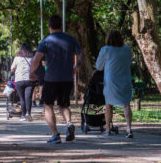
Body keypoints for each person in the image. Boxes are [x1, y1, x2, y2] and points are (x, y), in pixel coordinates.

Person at [30, 15, 84, 144]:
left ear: (49, 27)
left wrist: (32, 72)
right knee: (64, 104)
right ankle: (69, 122)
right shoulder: (71, 39)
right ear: (61, 26)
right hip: (67, 78)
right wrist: (77, 67)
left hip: (51, 79)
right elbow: (81, 54)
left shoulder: (46, 41)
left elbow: (37, 59)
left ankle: (55, 135)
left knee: (48, 105)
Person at [95, 30, 133, 138]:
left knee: (108, 104)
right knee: (126, 104)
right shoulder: (127, 49)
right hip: (125, 79)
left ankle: (108, 130)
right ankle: (129, 129)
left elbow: (98, 66)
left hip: (111, 80)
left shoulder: (106, 49)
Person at [11, 43, 36, 122]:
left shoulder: (17, 58)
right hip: (30, 80)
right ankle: (28, 114)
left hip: (19, 80)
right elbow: (35, 67)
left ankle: (23, 116)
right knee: (28, 98)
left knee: (22, 99)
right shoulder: (32, 57)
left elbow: (12, 68)